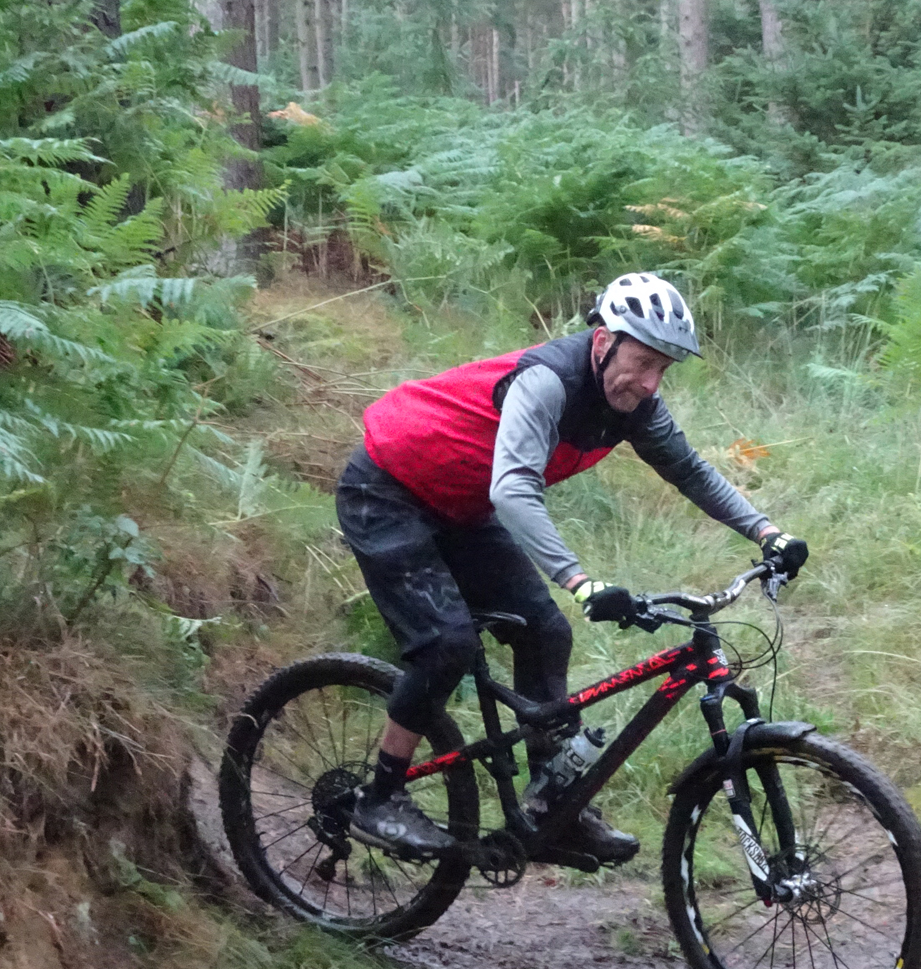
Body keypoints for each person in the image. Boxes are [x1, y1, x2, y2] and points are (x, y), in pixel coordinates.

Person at [333, 271, 809, 864]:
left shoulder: (635, 404)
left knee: (545, 632)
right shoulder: (548, 381)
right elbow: (513, 490)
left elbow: (689, 471)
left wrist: (767, 532)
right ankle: (378, 798)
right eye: (643, 362)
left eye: (663, 368)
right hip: (387, 489)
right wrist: (580, 581)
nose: (650, 382)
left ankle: (551, 804)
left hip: (460, 506)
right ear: (604, 341)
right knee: (445, 645)